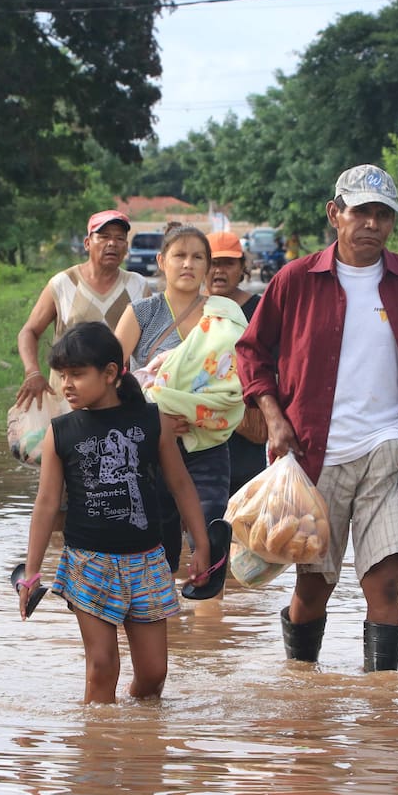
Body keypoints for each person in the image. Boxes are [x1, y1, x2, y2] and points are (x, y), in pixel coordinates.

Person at [236, 164, 398, 672]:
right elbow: (251, 353)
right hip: (315, 454)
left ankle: (383, 709)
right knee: (314, 587)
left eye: (384, 216)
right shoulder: (296, 280)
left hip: (393, 450)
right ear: (335, 214)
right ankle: (302, 688)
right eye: (361, 213)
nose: (372, 225)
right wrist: (274, 417)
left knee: (382, 581)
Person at [17, 321, 212, 704]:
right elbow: (46, 503)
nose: (66, 385)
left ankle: (140, 744)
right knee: (102, 666)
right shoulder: (61, 431)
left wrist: (201, 544)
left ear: (110, 374)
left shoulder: (152, 421)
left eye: (77, 374)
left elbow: (181, 485)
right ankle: (95, 753)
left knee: (154, 675)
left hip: (147, 562)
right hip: (88, 562)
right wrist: (31, 571)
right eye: (62, 375)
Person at [115, 223, 244, 579]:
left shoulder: (224, 315)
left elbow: (237, 378)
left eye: (197, 257)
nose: (188, 264)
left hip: (209, 443)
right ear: (162, 261)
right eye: (180, 256)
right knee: (159, 544)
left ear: (207, 266)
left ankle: (207, 623)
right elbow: (110, 379)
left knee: (211, 524)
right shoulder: (141, 313)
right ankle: (166, 624)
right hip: (151, 445)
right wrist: (156, 420)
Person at [16, 210, 149, 411]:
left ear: (126, 247)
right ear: (87, 243)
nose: (112, 243)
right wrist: (33, 372)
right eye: (104, 237)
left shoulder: (138, 286)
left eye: (119, 238)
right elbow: (29, 332)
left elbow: (151, 344)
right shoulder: (62, 284)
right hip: (67, 404)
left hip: (120, 404)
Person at [205, 231, 268, 496]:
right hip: (202, 436)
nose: (219, 270)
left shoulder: (261, 309)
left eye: (228, 264)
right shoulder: (194, 309)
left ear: (243, 268)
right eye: (213, 263)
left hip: (247, 431)